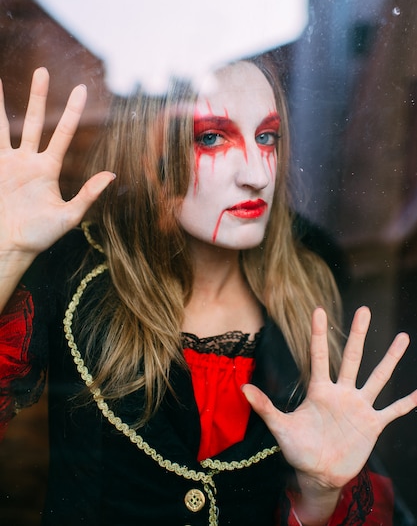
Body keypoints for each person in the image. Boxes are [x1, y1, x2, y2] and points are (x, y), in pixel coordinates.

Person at [0, 58, 416, 526]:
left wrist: (319, 495)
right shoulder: (73, 274)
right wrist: (7, 256)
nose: (256, 175)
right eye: (213, 137)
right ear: (147, 155)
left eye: (266, 137)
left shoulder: (312, 287)